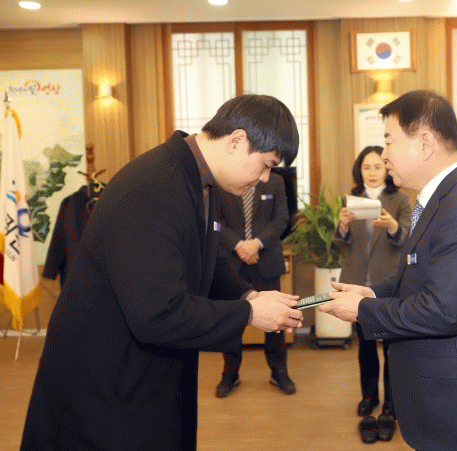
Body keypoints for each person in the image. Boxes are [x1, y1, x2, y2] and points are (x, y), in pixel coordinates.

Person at [20, 94, 304, 451]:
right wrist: (248, 313)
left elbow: (209, 261)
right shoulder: (154, 187)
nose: (264, 179)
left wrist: (249, 294)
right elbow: (157, 313)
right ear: (236, 141)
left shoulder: (201, 181)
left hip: (147, 373)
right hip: (106, 382)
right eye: (265, 165)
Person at [319, 90, 457, 451]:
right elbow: (415, 280)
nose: (384, 155)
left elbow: (442, 310)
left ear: (425, 143)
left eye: (389, 141)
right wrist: (371, 292)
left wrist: (363, 310)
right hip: (447, 406)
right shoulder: (440, 202)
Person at [334, 145, 411, 442]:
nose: (372, 172)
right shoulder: (351, 200)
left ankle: (391, 402)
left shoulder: (400, 199)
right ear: (360, 171)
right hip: (357, 282)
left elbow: (408, 239)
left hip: (388, 284)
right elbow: (339, 244)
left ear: (386, 169)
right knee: (365, 345)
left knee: (391, 347)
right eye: (367, 167)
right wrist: (342, 227)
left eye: (378, 166)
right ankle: (369, 397)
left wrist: (392, 227)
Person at [213, 172, 296, 397]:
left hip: (266, 259)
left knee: (277, 318)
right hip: (231, 263)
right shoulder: (224, 179)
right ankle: (230, 373)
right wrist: (239, 245)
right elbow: (215, 223)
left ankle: (279, 370)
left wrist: (256, 244)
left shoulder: (275, 181)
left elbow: (282, 219)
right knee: (231, 321)